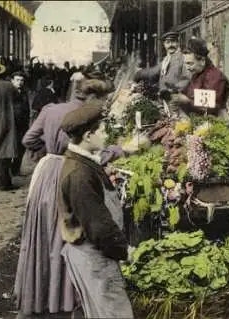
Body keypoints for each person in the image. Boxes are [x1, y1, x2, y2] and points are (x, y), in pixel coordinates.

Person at [13, 78, 125, 319]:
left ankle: (41, 295)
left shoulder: (50, 110)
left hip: (46, 173)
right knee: (70, 234)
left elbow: (28, 140)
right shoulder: (85, 118)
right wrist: (119, 150)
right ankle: (67, 298)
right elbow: (94, 153)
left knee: (43, 236)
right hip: (70, 170)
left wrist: (49, 149)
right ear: (93, 97)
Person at [58, 101, 134, 318]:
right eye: (102, 130)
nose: (106, 134)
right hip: (94, 255)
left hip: (95, 252)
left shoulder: (83, 162)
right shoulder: (79, 174)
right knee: (117, 314)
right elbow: (97, 224)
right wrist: (124, 251)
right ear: (89, 136)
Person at [170, 37, 229, 117]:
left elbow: (212, 106)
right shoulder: (197, 74)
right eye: (185, 63)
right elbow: (186, 93)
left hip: (215, 123)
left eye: (190, 63)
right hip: (199, 121)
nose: (187, 67)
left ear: (202, 61)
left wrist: (186, 100)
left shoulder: (215, 76)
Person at [0, 61, 18, 190]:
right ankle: (5, 182)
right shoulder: (8, 86)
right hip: (7, 120)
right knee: (4, 152)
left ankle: (4, 182)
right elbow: (17, 97)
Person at [10, 71, 31, 176]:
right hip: (11, 125)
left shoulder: (24, 92)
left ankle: (15, 169)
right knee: (10, 148)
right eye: (17, 80)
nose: (20, 82)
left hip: (22, 125)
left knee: (21, 147)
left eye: (22, 80)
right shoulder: (8, 93)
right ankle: (8, 170)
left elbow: (27, 108)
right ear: (12, 81)